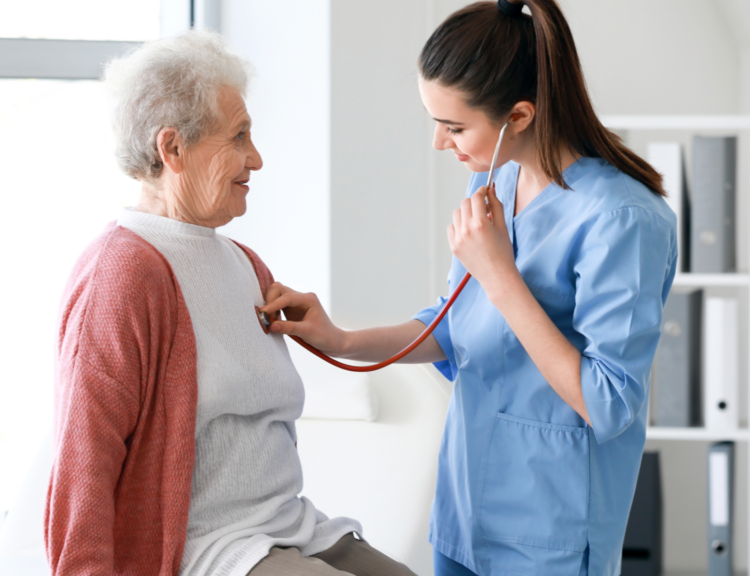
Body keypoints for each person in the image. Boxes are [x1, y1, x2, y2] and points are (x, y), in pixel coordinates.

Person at [260, 1, 677, 575]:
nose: (439, 142)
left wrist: (500, 275)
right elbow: (458, 324)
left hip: (549, 530)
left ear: (520, 115)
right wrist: (342, 340)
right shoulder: (494, 181)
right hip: (463, 509)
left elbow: (609, 403)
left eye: (454, 127)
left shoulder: (622, 219)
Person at [44, 30, 416, 576]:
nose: (256, 158)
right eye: (238, 137)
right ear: (172, 149)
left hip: (290, 526)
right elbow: (84, 461)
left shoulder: (244, 263)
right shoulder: (121, 274)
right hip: (206, 547)